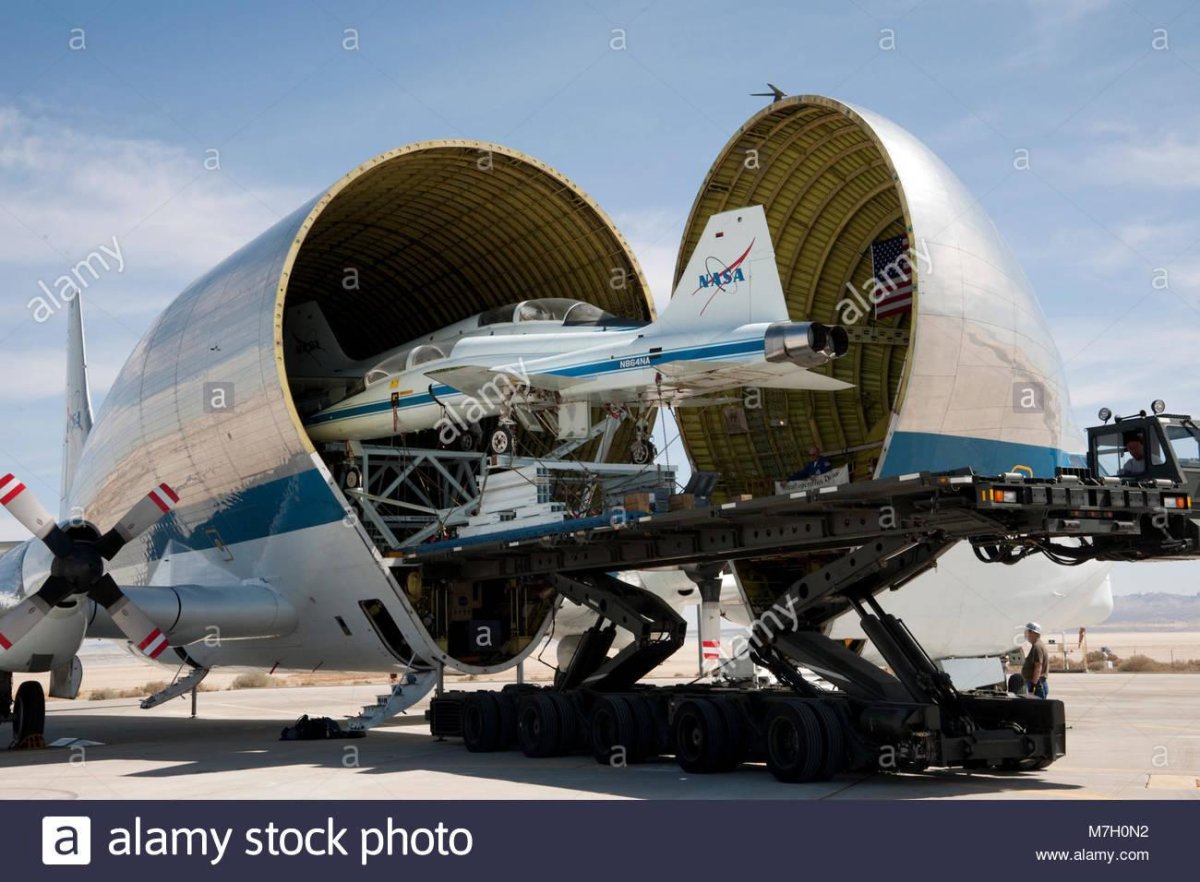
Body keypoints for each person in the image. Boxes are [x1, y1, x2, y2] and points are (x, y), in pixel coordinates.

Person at [1022, 622, 1049, 698]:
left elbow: (1038, 667)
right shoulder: (1037, 645)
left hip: (1037, 685)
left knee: (1037, 705)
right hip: (1038, 683)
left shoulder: (1037, 647)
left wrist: (1033, 686)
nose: (1026, 634)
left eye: (1028, 631)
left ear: (1033, 633)